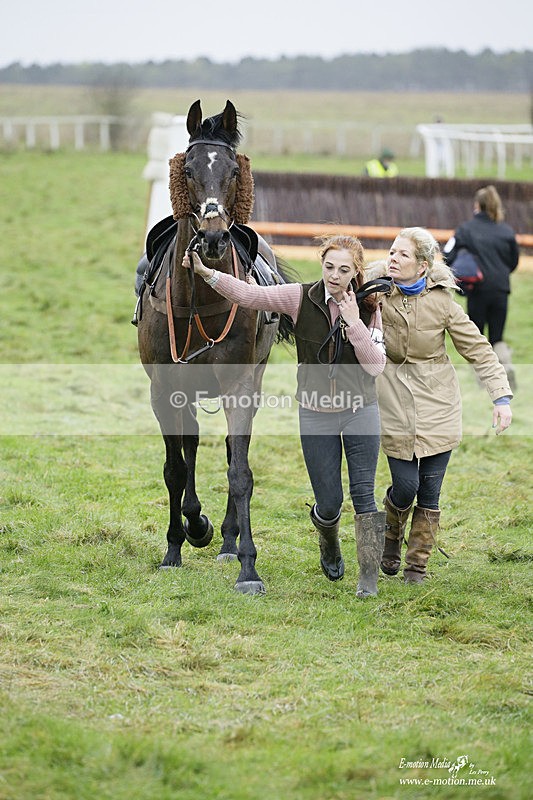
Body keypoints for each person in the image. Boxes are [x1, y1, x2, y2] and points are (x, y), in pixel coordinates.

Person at [184, 235, 388, 598]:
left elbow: (375, 365)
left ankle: (367, 581)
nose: (334, 276)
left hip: (361, 411)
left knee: (364, 495)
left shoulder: (371, 306)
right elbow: (252, 296)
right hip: (316, 414)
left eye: (344, 270)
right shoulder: (299, 297)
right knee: (328, 502)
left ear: (356, 272)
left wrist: (354, 321)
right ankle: (329, 540)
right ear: (321, 265)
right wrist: (206, 274)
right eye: (329, 267)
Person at [369, 227, 513, 584]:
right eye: (391, 252)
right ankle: (391, 535)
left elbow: (479, 349)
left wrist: (501, 396)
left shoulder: (443, 303)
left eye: (403, 255)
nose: (393, 259)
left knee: (429, 491)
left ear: (423, 266)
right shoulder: (374, 294)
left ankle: (416, 565)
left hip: (439, 403)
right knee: (405, 487)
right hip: (392, 401)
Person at [443, 185, 519, 389]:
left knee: (477, 337)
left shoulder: (465, 230)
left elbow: (446, 254)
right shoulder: (506, 231)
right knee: (497, 338)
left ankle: (484, 382)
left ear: (477, 205)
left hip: (477, 291)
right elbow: (513, 261)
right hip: (501, 290)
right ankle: (506, 371)